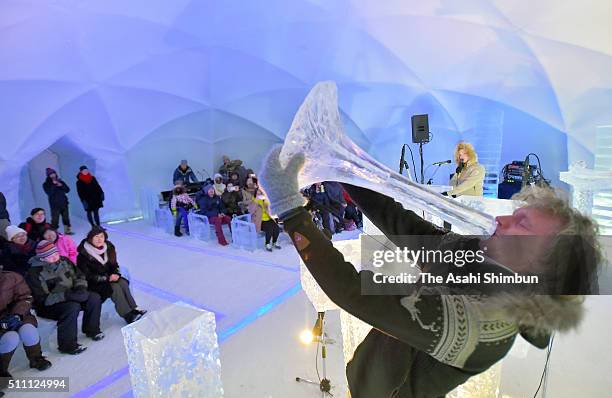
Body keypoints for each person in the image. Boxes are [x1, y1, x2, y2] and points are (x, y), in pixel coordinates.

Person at [260, 148, 601, 398]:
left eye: (521, 224)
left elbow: (354, 292)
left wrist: (289, 208)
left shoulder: (489, 325)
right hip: (366, 378)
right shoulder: (479, 256)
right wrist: (341, 169)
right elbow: (403, 226)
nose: (501, 220)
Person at [27, 240, 103, 355]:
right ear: (42, 258)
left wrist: (80, 288)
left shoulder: (64, 261)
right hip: (49, 306)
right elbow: (42, 299)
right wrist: (67, 296)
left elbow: (79, 275)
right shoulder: (35, 272)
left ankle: (92, 330)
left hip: (71, 295)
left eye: (55, 253)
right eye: (50, 256)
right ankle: (67, 345)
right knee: (72, 307)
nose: (55, 257)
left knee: (94, 298)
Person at [77, 227, 146, 324]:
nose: (99, 239)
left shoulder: (108, 248)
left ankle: (134, 308)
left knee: (122, 282)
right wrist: (106, 278)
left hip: (108, 278)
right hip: (94, 283)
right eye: (96, 237)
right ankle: (127, 315)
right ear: (90, 238)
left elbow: (114, 265)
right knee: (114, 287)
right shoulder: (83, 254)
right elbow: (86, 275)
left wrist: (116, 274)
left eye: (102, 236)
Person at [0, 270, 52, 388]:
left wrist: (17, 314)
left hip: (17, 316)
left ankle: (36, 358)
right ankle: (1, 371)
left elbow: (25, 297)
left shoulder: (11, 277)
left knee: (29, 330)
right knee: (10, 338)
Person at [42, 168, 73, 235]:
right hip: (55, 205)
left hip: (64, 203)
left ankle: (67, 231)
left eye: (53, 173)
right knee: (55, 220)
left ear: (56, 174)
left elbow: (67, 190)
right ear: (48, 176)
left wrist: (61, 185)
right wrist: (53, 184)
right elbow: (49, 192)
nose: (53, 175)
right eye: (50, 174)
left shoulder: (61, 181)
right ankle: (54, 233)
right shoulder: (46, 184)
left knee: (66, 218)